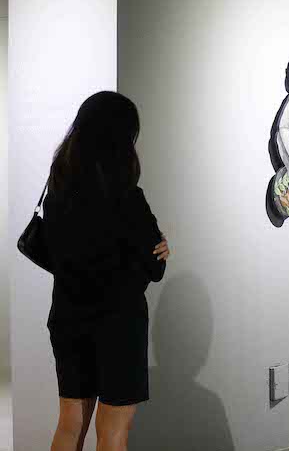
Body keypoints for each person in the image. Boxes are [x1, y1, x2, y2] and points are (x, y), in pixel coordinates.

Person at [43, 91, 170, 451]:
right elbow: (154, 266)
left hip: (68, 318)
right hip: (119, 325)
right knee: (112, 432)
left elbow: (56, 256)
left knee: (70, 425)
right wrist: (161, 249)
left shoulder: (57, 195)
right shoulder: (129, 199)